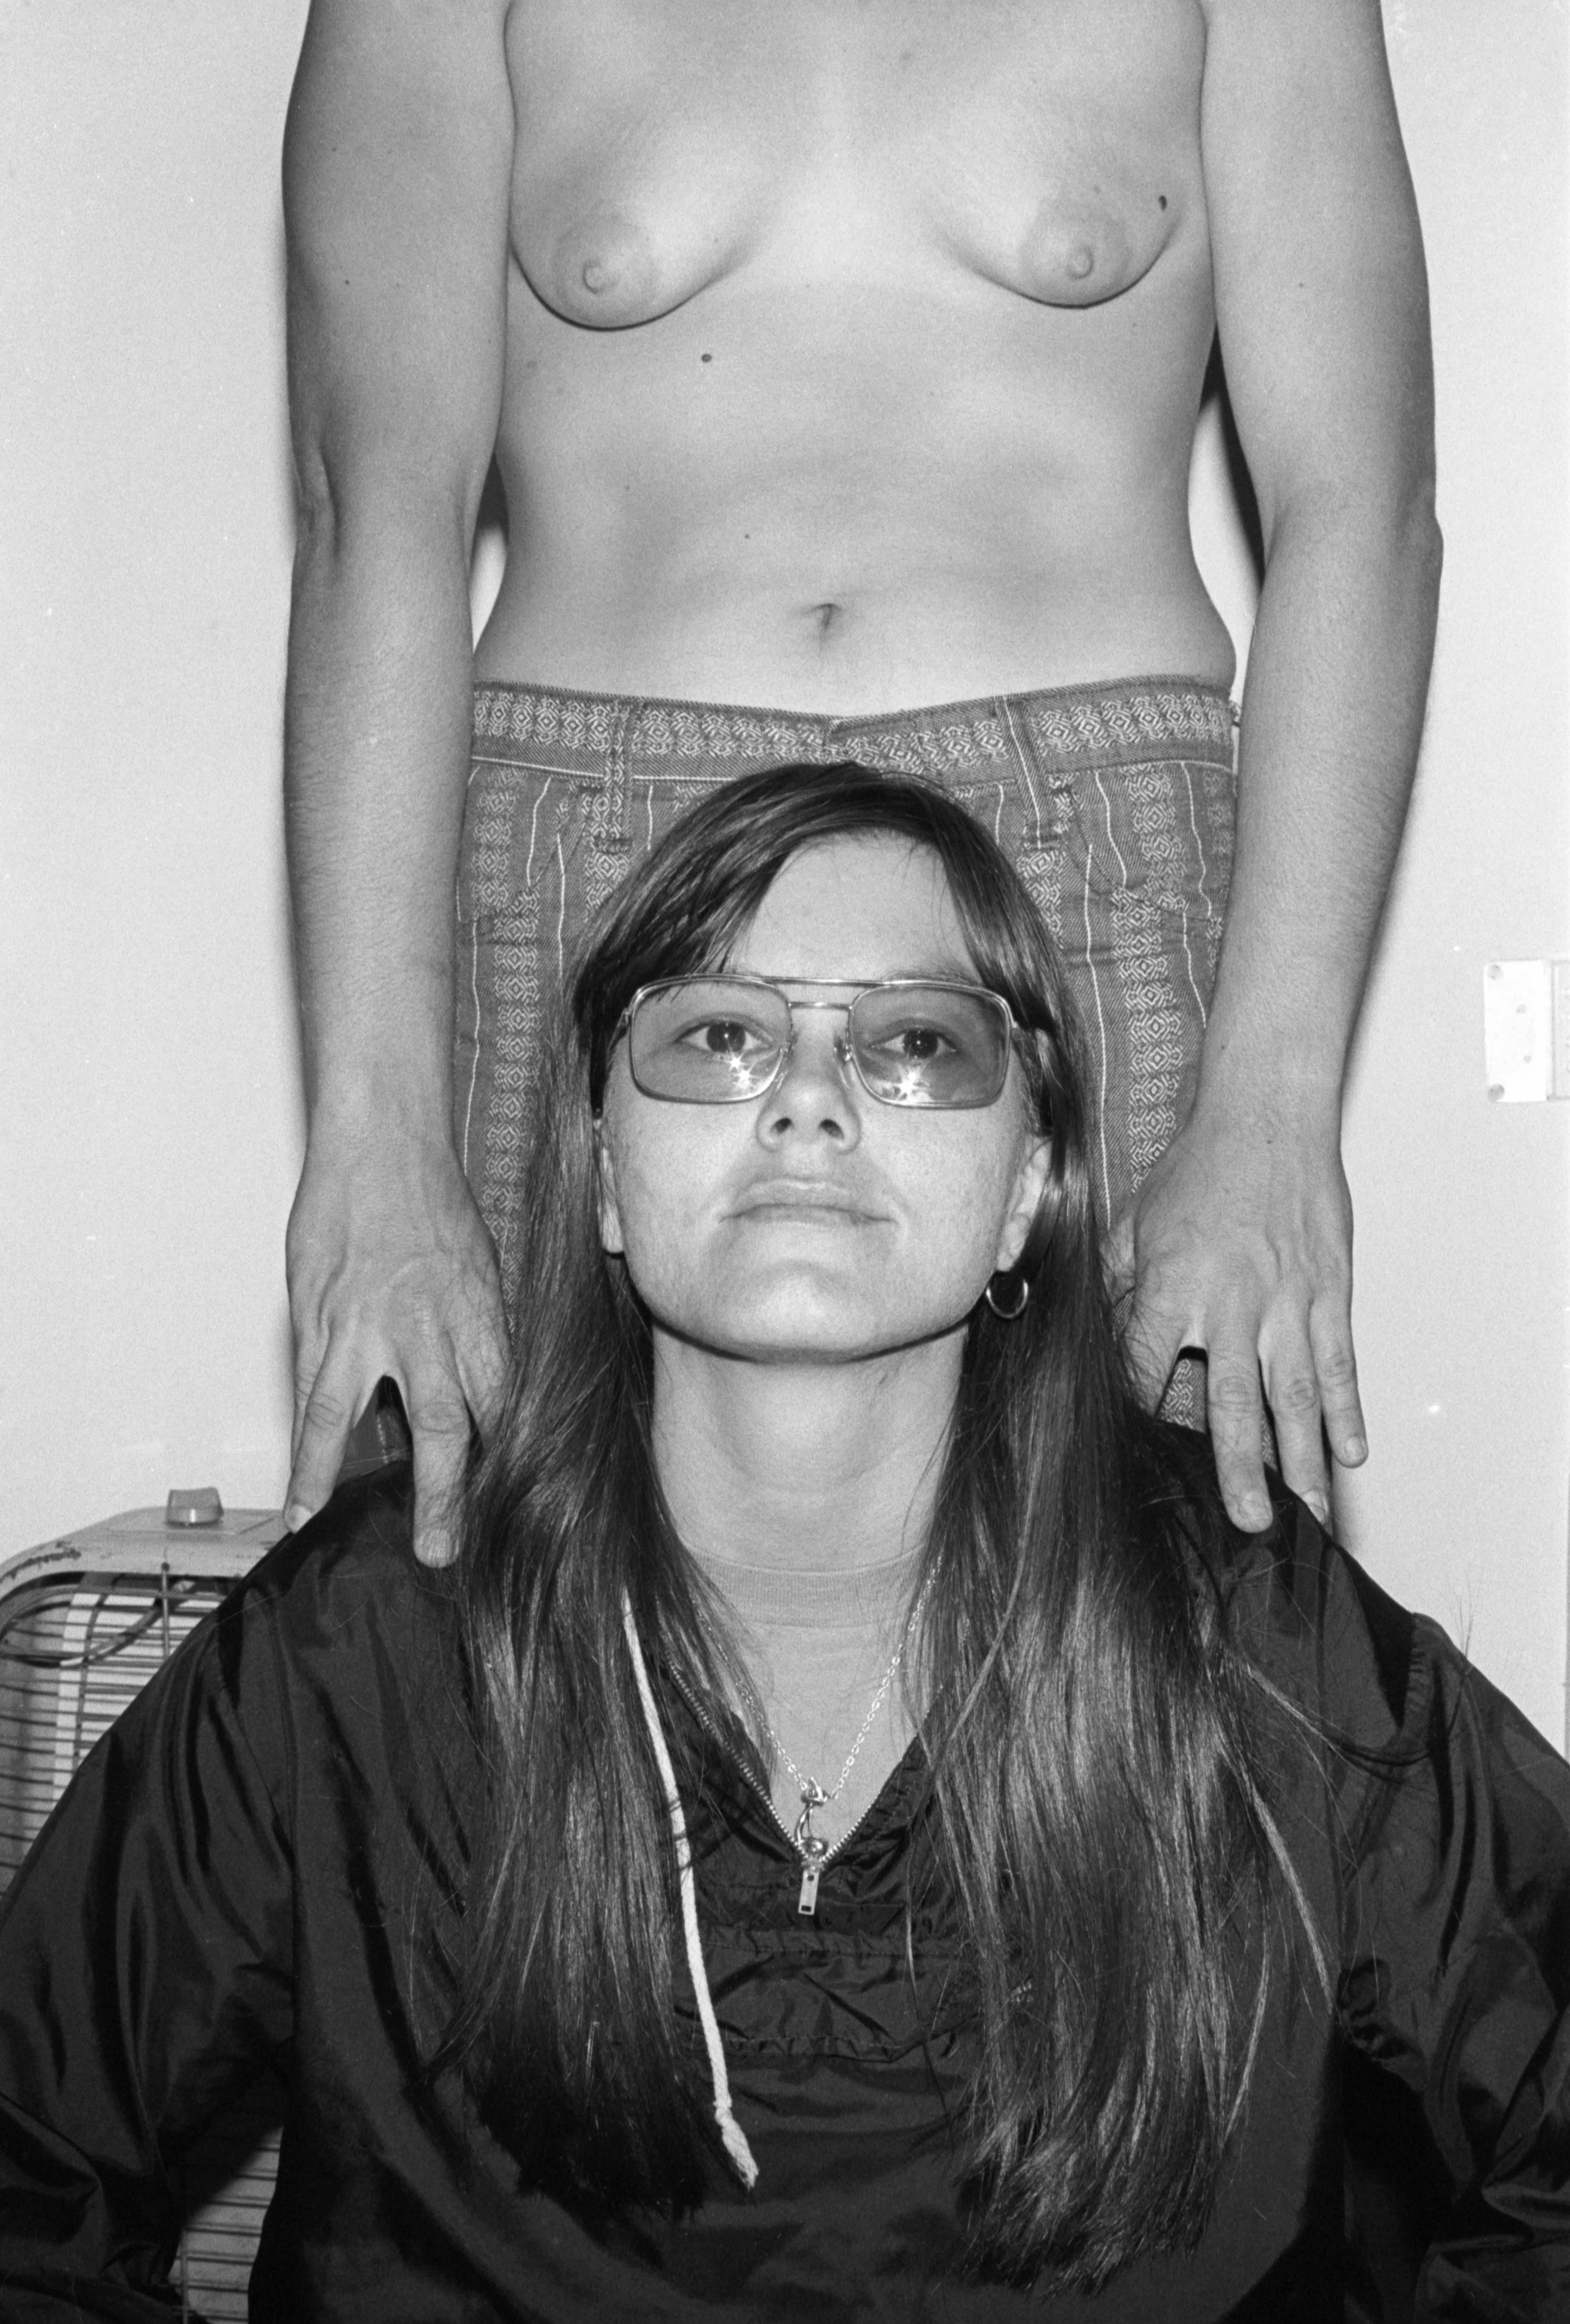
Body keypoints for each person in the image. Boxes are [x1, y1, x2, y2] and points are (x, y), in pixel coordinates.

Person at [5, 768, 1556, 2324]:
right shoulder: (358, 1648)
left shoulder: (1250, 1631)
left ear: (1028, 1188)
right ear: (605, 1174)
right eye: (718, 1036)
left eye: (918, 1043)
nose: (809, 1100)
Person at [278, 0, 1442, 1568]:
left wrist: (1278, 1111)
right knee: (507, 1579)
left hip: (1089, 861)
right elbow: (372, 512)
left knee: (1150, 1585)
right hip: (593, 862)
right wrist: (373, 1136)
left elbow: (1362, 506)